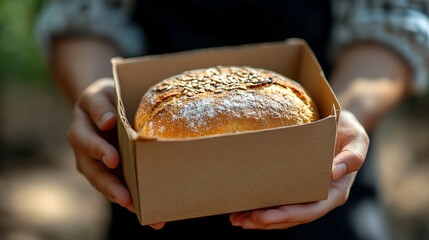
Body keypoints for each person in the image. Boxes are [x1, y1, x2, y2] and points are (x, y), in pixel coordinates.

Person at [35, 0, 428, 239]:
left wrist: (345, 115)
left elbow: (394, 21)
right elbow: (81, 15)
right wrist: (102, 102)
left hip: (322, 185)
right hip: (152, 197)